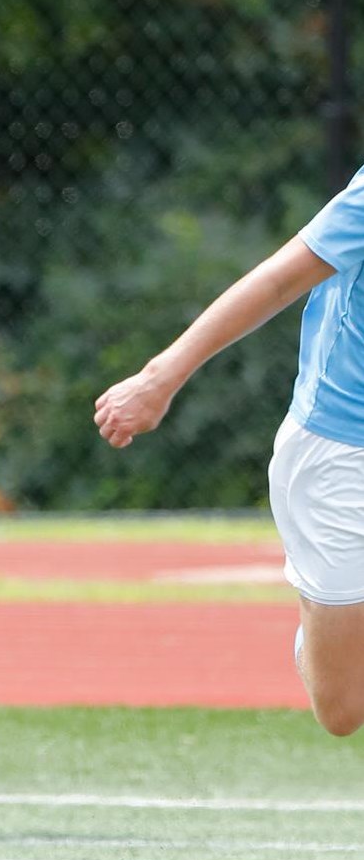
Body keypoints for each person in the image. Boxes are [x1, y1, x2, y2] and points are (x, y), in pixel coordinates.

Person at [94, 166, 364, 738]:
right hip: (340, 454)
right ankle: (321, 632)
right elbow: (275, 283)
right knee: (343, 710)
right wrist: (158, 377)